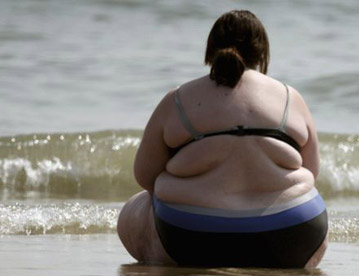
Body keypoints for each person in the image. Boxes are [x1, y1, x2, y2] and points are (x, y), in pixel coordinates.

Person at [117, 10, 328, 268]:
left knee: (138, 204)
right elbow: (312, 170)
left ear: (210, 50)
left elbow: (145, 175)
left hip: (191, 235)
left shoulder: (178, 99)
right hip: (291, 233)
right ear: (262, 53)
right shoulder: (289, 97)